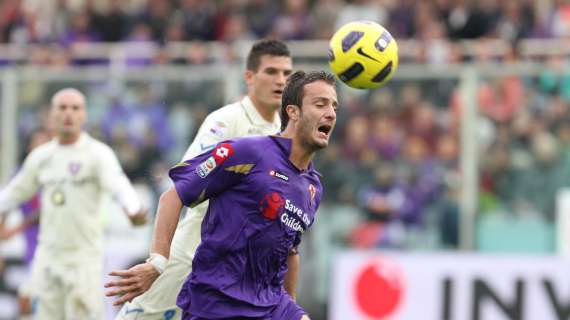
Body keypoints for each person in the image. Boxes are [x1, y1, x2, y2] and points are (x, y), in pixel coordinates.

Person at [123, 70, 336, 319]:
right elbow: (173, 196)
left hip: (270, 304)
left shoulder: (312, 187)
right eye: (320, 104)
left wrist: (291, 306)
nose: (331, 113)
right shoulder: (247, 152)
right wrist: (158, 262)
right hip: (217, 303)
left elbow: (290, 249)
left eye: (334, 106)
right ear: (293, 112)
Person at [106, 38, 295, 320]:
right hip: (191, 255)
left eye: (286, 73)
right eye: (271, 72)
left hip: (236, 271)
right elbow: (182, 186)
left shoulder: (283, 135)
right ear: (249, 77)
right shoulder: (226, 121)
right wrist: (159, 259)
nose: (280, 80)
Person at [0, 88, 147, 320]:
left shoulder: (98, 154)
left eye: (75, 108)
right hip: (48, 258)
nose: (69, 113)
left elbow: (119, 185)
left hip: (84, 259)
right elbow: (11, 194)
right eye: (62, 107)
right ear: (52, 115)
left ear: (84, 115)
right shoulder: (41, 157)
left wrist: (133, 208)